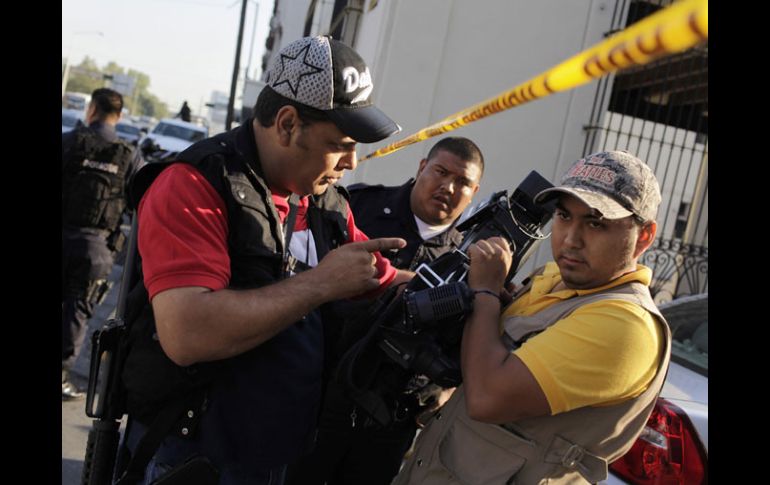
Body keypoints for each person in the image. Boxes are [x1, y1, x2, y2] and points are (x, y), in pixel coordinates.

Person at [116, 36, 408, 485]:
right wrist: (319, 285)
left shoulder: (325, 201)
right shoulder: (194, 185)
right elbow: (187, 332)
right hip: (192, 458)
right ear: (288, 124)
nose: (352, 162)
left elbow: (380, 276)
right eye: (342, 143)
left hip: (278, 453)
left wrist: (475, 294)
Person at [393, 150, 672, 485]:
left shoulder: (626, 325)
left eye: (596, 223)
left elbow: (486, 398)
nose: (571, 240)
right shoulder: (552, 278)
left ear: (644, 236)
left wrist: (485, 293)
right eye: (564, 217)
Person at [286, 137, 485, 485]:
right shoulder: (357, 208)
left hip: (390, 420)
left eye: (462, 182)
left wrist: (443, 391)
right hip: (321, 394)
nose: (448, 187)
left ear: (475, 191)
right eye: (441, 172)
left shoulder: (471, 263)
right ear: (422, 167)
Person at [61, 87, 143, 400]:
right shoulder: (129, 154)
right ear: (119, 116)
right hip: (95, 249)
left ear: (91, 109)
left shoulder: (70, 141)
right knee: (78, 312)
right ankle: (63, 375)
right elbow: (140, 204)